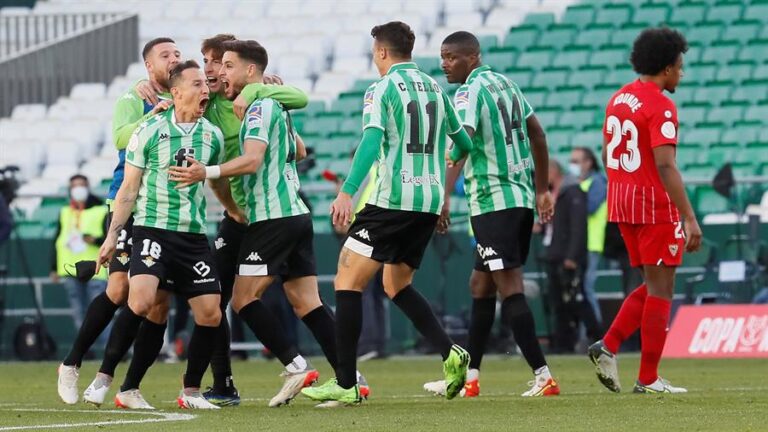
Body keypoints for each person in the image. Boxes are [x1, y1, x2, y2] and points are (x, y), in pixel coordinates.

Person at [170, 39, 364, 407]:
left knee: (243, 300)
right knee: (307, 302)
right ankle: (348, 380)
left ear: (250, 71)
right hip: (296, 214)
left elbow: (253, 160)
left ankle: (295, 365)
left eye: (227, 65)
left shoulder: (258, 107)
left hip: (270, 218)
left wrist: (206, 171)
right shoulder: (272, 105)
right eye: (217, 65)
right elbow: (300, 151)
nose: (220, 72)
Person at [120, 34, 309, 407]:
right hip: (225, 214)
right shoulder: (202, 104)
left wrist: (255, 91)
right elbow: (132, 132)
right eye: (207, 62)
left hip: (256, 214)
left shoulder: (242, 98)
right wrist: (148, 99)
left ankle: (300, 367)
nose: (211, 69)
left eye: (219, 63)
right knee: (201, 301)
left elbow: (298, 125)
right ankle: (217, 384)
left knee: (231, 300)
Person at [300, 21, 473, 407]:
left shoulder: (382, 88)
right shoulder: (435, 88)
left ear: (381, 52)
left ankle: (346, 382)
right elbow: (463, 143)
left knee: (347, 281)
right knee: (396, 286)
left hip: (392, 201)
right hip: (426, 202)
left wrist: (347, 192)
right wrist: (442, 194)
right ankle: (451, 354)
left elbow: (371, 140)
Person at [97, 59, 244, 410]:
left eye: (204, 85)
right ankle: (104, 377)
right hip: (152, 228)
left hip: (192, 236)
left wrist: (234, 211)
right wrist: (112, 236)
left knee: (211, 312)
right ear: (176, 93)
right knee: (142, 300)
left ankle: (190, 392)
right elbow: (128, 190)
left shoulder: (212, 135)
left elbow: (217, 179)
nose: (204, 89)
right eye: (196, 84)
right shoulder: (148, 130)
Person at [423, 31, 558, 398]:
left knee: (508, 285)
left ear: (473, 56)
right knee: (479, 285)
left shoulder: (469, 92)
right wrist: (542, 189)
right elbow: (539, 135)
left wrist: (444, 196)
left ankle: (543, 374)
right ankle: (471, 378)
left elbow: (462, 142)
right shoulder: (508, 85)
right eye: (442, 56)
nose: (444, 64)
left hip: (493, 201)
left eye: (451, 57)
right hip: (518, 198)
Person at [57, 37, 180, 406]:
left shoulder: (189, 94)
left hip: (167, 209)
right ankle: (71, 363)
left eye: (177, 53)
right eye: (165, 55)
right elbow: (122, 137)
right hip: (128, 202)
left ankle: (129, 388)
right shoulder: (135, 98)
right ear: (148, 65)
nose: (174, 59)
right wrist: (156, 110)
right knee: (118, 290)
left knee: (159, 303)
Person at [588, 27, 702, 394]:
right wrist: (689, 216)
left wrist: (626, 182)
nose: (681, 74)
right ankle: (648, 378)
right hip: (653, 206)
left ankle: (608, 346)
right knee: (663, 289)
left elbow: (607, 154)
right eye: (679, 67)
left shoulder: (619, 98)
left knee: (652, 286)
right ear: (667, 68)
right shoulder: (661, 105)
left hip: (623, 204)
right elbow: (666, 165)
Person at [543, 161, 599, 353]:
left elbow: (577, 227)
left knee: (577, 299)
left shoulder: (573, 192)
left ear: (554, 171)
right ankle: (563, 342)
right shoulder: (553, 194)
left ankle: (597, 336)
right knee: (559, 301)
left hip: (567, 254)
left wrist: (572, 256)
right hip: (554, 252)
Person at [50, 175, 109, 338]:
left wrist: (95, 240)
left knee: (100, 313)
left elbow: (111, 238)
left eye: (81, 185)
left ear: (88, 186)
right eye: (74, 186)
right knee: (78, 314)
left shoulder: (101, 210)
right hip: (70, 270)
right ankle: (83, 351)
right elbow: (57, 240)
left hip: (95, 270)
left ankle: (109, 350)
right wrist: (54, 267)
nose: (78, 189)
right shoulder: (65, 212)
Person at [570, 147, 607, 328]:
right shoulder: (579, 183)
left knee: (587, 289)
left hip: (591, 242)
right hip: (578, 243)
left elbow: (590, 207)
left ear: (588, 162)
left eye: (576, 161)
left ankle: (595, 332)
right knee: (579, 290)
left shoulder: (598, 182)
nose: (573, 165)